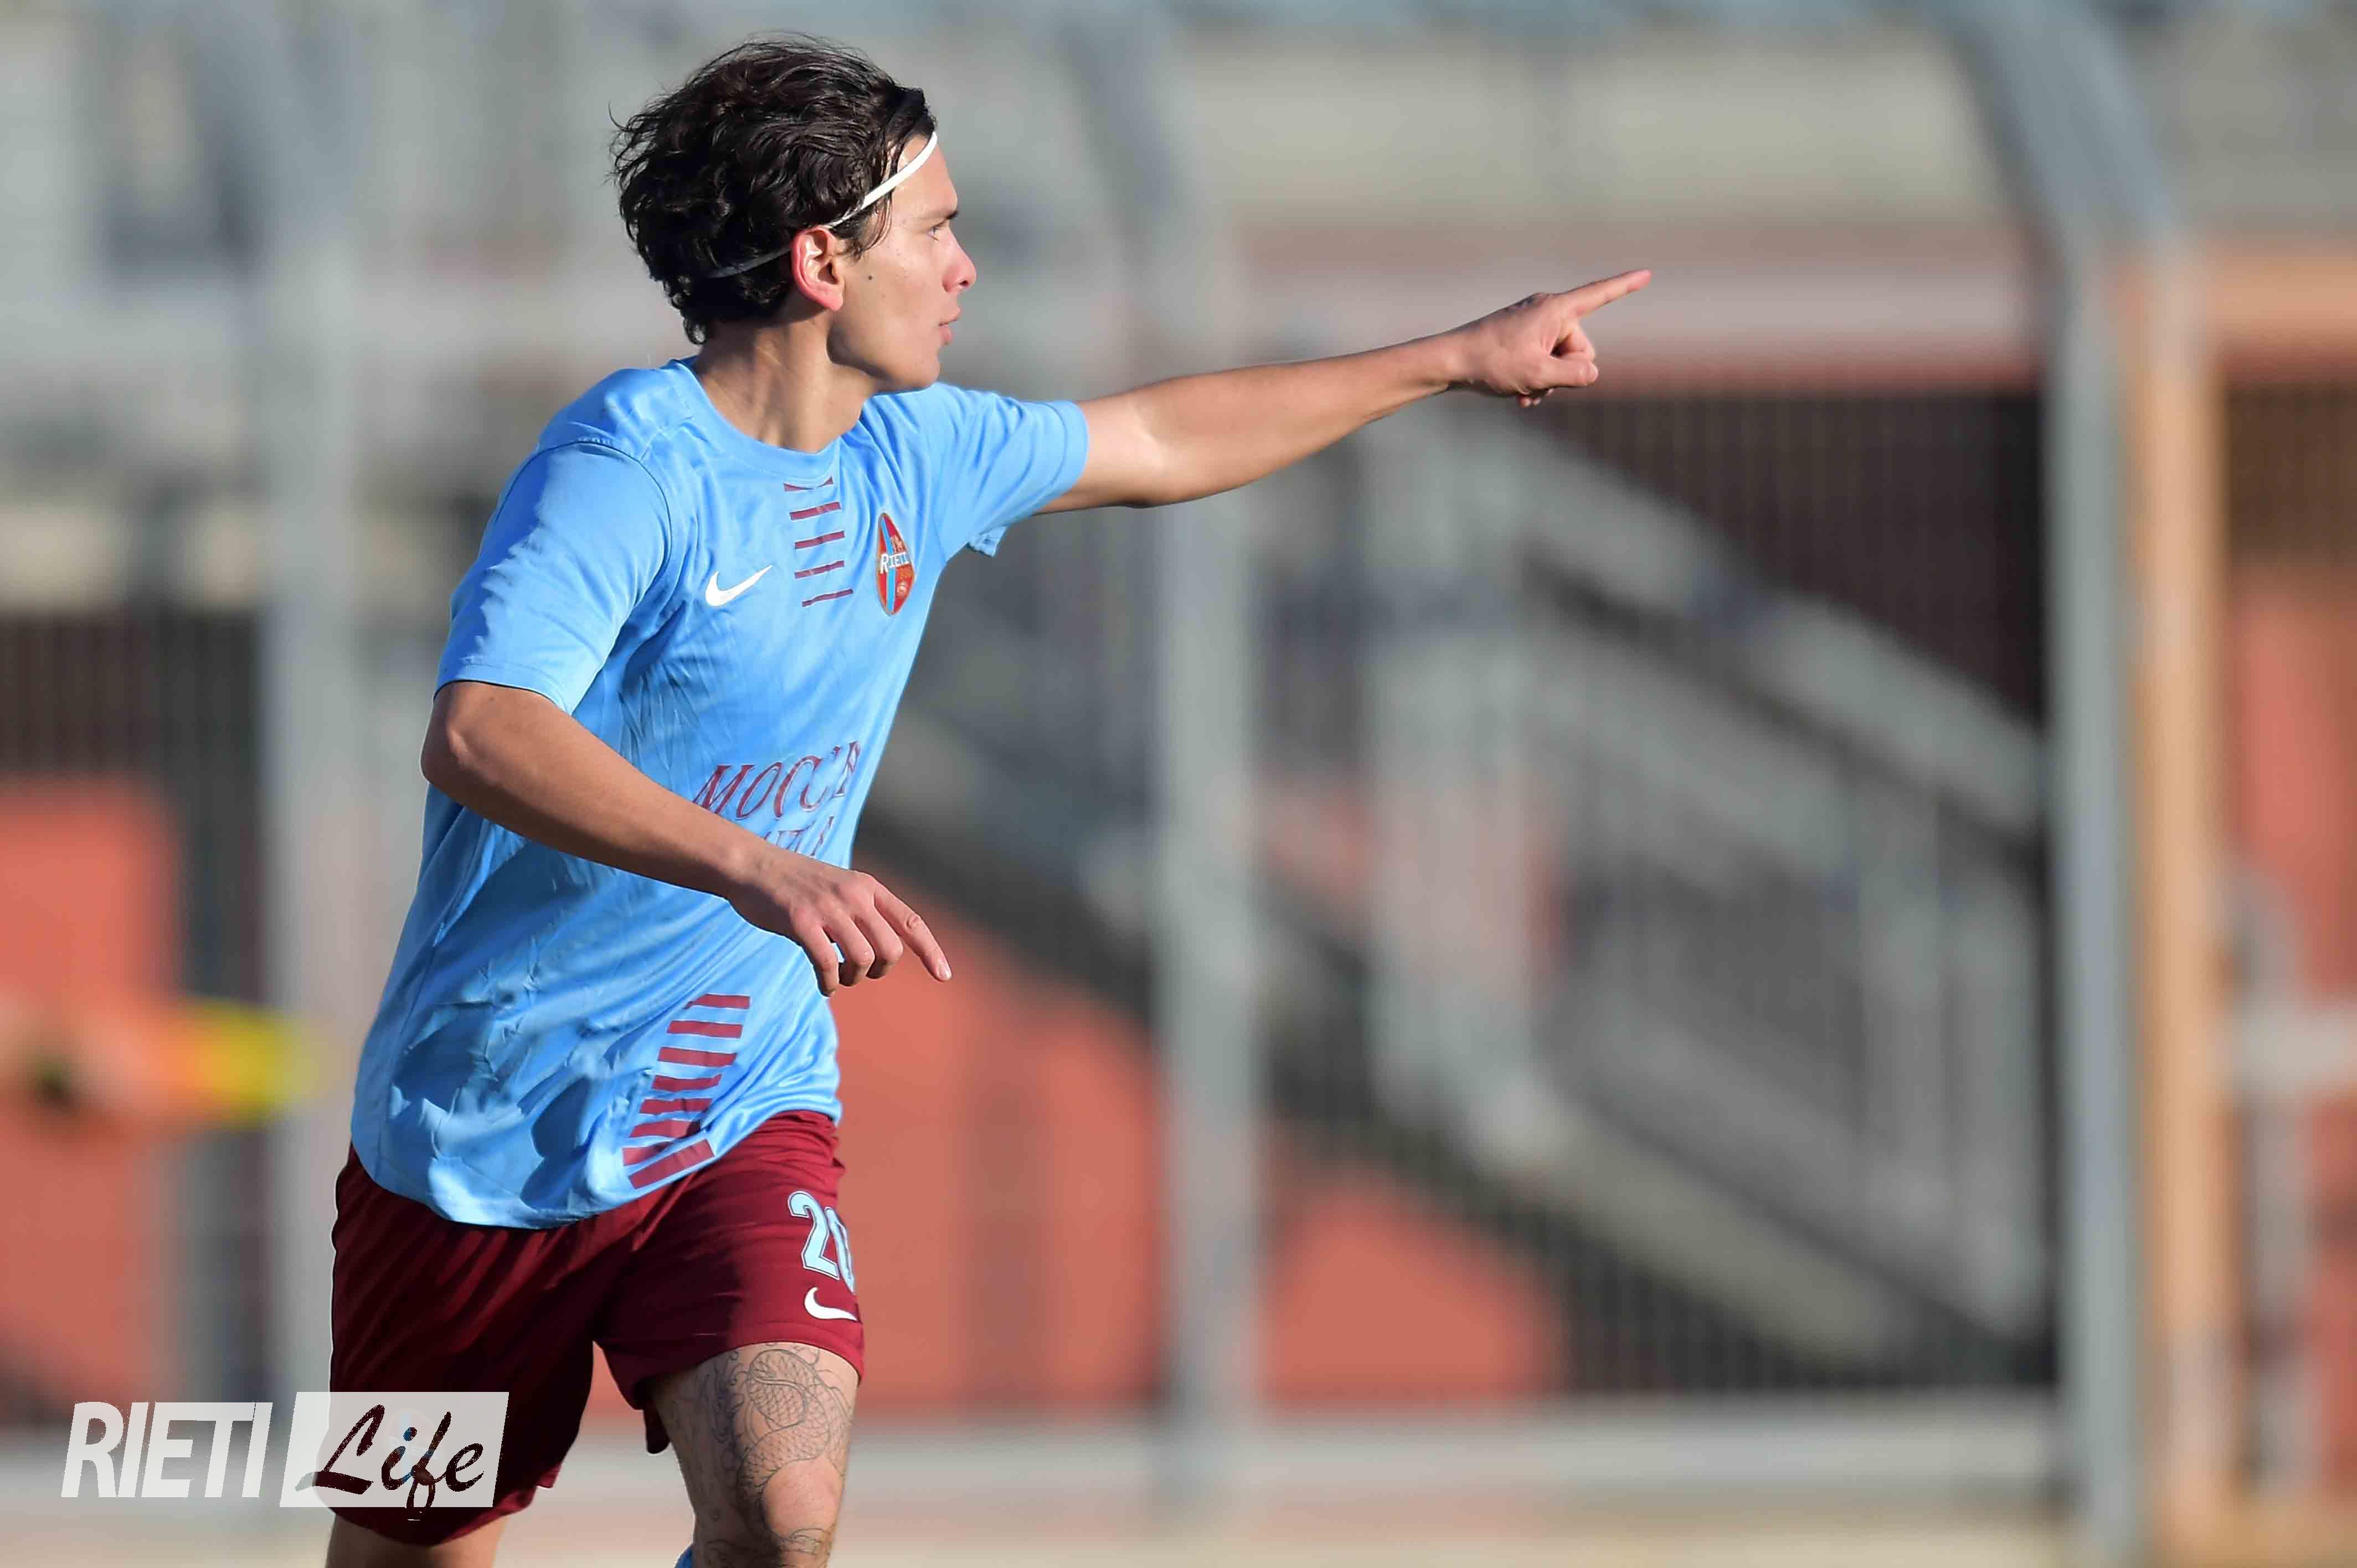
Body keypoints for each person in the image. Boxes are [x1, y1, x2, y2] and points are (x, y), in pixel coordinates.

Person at [325, 32, 1647, 1568]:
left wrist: (1456, 358)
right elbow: (482, 729)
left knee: (784, 1516)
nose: (965, 268)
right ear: (824, 262)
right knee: (414, 1552)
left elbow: (1160, 439)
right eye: (938, 229)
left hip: (731, 1104)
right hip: (474, 1133)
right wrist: (757, 866)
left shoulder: (918, 453)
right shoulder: (624, 467)